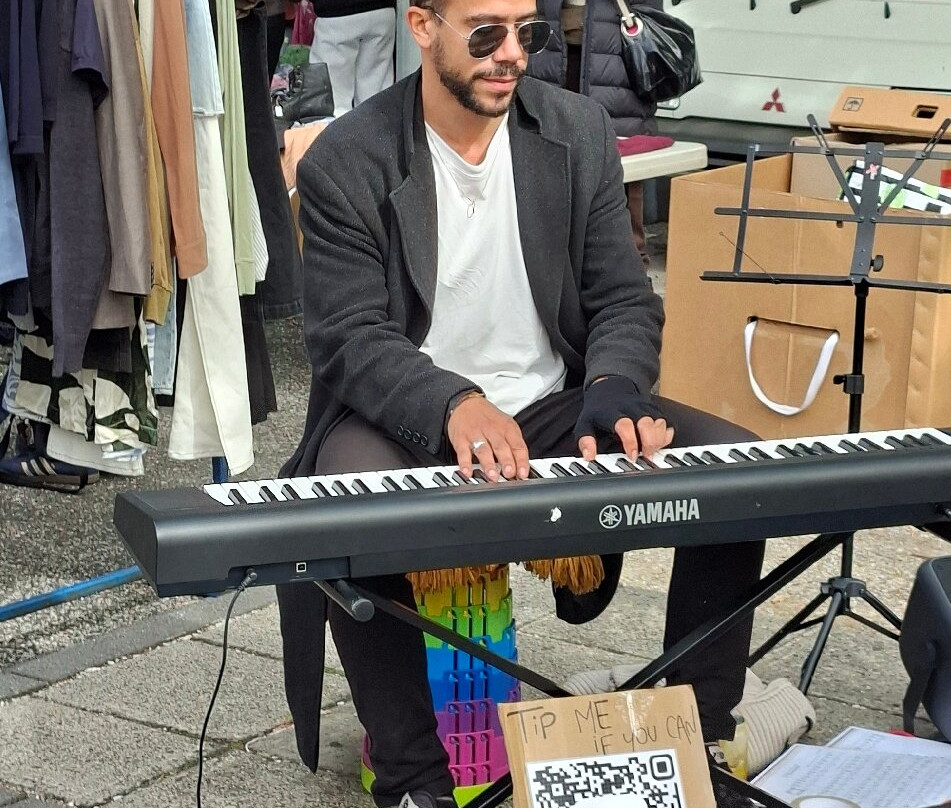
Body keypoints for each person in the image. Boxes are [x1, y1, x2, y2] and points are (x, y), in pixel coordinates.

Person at [276, 0, 764, 806]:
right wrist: (452, 404)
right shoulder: (349, 158)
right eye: (486, 33)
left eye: (527, 33)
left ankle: (696, 741)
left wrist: (611, 388)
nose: (512, 55)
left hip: (549, 403)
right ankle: (413, 781)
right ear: (421, 26)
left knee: (737, 480)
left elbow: (622, 299)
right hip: (406, 411)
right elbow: (349, 338)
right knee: (348, 516)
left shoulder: (576, 130)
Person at [528, 0, 666, 270]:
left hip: (615, 56)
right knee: (547, 158)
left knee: (621, 167)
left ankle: (631, 276)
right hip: (553, 52)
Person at [308, 0, 396, 116]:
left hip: (335, 13)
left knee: (333, 101)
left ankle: (339, 132)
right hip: (382, 11)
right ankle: (376, 130)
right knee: (375, 97)